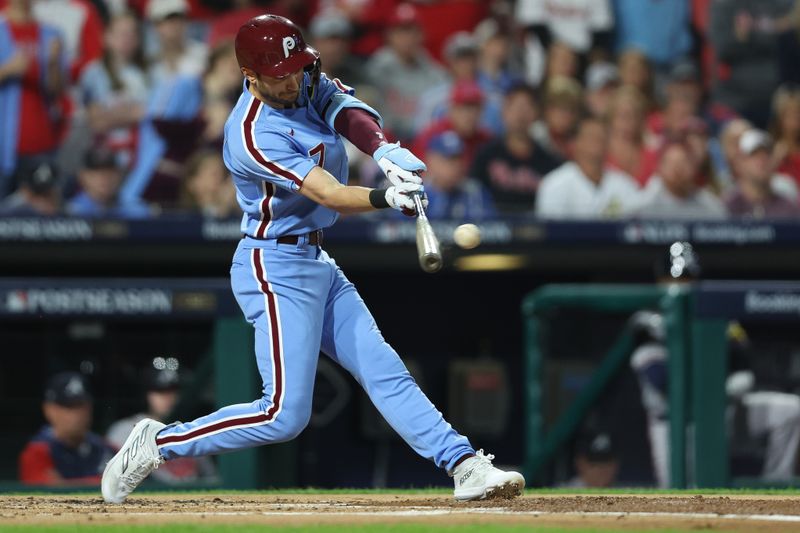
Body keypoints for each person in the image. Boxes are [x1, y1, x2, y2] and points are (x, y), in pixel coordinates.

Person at [101, 14, 524, 504]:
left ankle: (464, 465)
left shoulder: (303, 80)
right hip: (272, 266)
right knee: (283, 414)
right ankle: (157, 443)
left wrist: (384, 150)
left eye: (297, 68)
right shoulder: (251, 132)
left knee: (384, 368)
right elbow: (330, 194)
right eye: (279, 73)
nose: (293, 79)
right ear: (250, 77)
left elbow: (345, 109)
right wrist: (387, 198)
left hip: (317, 259)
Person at [106, 360, 217, 485]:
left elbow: (211, 479)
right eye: (160, 391)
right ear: (146, 394)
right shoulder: (124, 431)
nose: (168, 397)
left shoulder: (191, 430)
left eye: (172, 390)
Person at [0, 0, 66, 196]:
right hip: (4, 143)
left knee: (42, 217)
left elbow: (58, 92)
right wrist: (6, 70)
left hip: (41, 139)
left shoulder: (51, 33)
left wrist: (53, 64)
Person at [469, 83, 561, 214]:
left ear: (536, 113)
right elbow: (474, 195)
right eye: (515, 107)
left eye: (526, 107)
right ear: (504, 111)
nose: (520, 115)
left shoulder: (549, 161)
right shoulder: (485, 155)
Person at [364, 3, 446, 142]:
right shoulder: (375, 69)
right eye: (401, 31)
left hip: (422, 141)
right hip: (383, 140)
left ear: (421, 35)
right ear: (390, 35)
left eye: (412, 31)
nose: (408, 38)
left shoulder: (434, 72)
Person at [78, 10, 149, 169]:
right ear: (107, 37)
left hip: (138, 156)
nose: (126, 39)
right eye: (121, 34)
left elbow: (150, 113)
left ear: (138, 40)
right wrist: (133, 113)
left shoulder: (147, 74)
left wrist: (111, 114)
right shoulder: (93, 73)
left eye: (131, 34)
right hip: (103, 158)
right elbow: (96, 122)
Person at [708, 0, 794, 128]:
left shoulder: (780, 3)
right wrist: (772, 28)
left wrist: (749, 34)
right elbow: (721, 49)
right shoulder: (723, 5)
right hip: (738, 98)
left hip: (777, 94)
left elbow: (790, 35)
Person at [19, 372, 114, 485]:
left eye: (80, 405)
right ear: (49, 409)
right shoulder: (37, 452)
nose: (75, 414)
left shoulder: (106, 448)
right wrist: (105, 481)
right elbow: (51, 493)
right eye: (67, 406)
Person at [536, 117, 639, 219]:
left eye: (602, 138)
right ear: (575, 143)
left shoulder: (624, 184)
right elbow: (550, 231)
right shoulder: (554, 184)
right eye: (591, 137)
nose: (597, 142)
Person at [634, 141, 727, 219]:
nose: (677, 170)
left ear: (694, 167)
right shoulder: (646, 206)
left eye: (683, 163)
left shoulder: (710, 206)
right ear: (659, 168)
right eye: (671, 164)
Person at [412, 80, 492, 169]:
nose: (471, 115)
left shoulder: (485, 138)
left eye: (476, 108)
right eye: (465, 108)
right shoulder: (431, 135)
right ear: (452, 109)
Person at [420, 131, 495, 221]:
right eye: (448, 159)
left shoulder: (476, 192)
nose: (456, 166)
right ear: (431, 161)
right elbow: (403, 229)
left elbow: (493, 228)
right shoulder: (417, 194)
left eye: (458, 159)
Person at [725, 129, 800, 218]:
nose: (762, 160)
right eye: (754, 154)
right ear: (739, 162)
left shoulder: (788, 208)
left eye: (767, 154)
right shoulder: (727, 206)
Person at [67, 145, 150, 218]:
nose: (104, 178)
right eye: (97, 173)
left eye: (110, 172)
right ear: (82, 176)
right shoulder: (70, 212)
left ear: (120, 175)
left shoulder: (137, 211)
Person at [606, 85, 659, 187]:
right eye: (623, 116)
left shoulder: (652, 152)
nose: (629, 122)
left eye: (635, 115)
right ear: (611, 118)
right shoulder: (601, 151)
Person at [147, 0, 208, 81]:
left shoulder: (203, 55)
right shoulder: (149, 64)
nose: (175, 25)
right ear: (156, 26)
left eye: (179, 19)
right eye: (168, 20)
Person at [531, 76, 583, 163]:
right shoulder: (535, 134)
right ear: (547, 110)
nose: (566, 115)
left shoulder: (577, 142)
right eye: (561, 108)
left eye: (571, 110)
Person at [180, 149, 239, 218]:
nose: (219, 177)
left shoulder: (237, 209)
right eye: (213, 173)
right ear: (192, 182)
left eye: (222, 172)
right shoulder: (180, 217)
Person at [770, 84, 800, 188]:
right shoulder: (772, 148)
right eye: (789, 114)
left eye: (797, 113)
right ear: (780, 117)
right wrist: (775, 160)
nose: (795, 119)